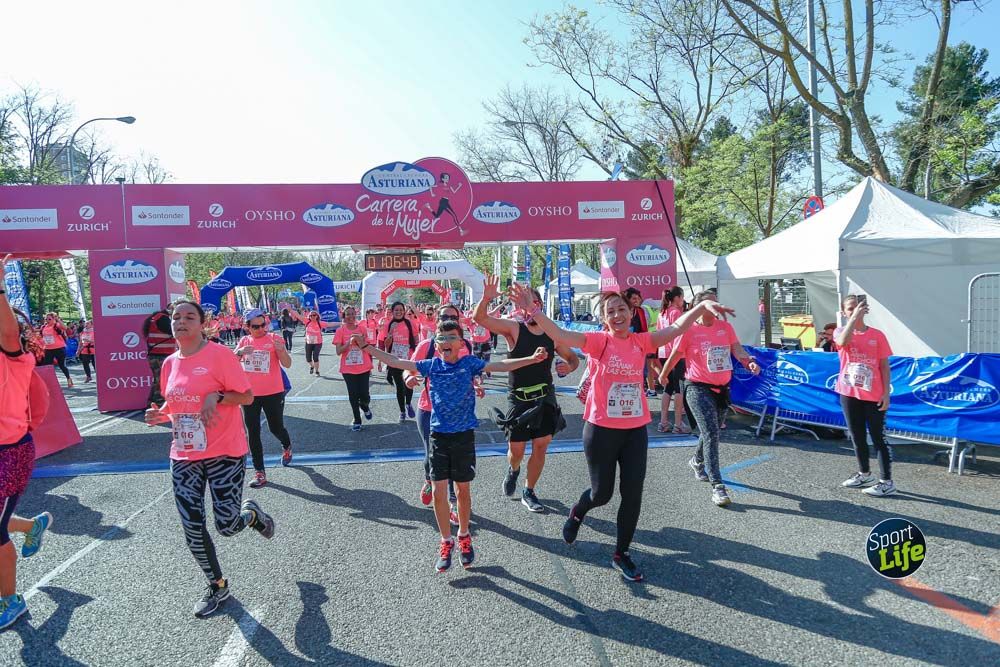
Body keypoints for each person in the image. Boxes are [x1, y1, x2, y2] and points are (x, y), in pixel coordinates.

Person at [510, 284, 734, 582]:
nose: (617, 315)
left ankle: (621, 553)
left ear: (631, 313)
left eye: (622, 309)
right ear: (604, 319)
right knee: (601, 494)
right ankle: (578, 511)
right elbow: (561, 335)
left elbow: (677, 328)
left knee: (632, 494)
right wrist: (533, 310)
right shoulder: (599, 341)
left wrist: (702, 307)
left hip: (635, 431)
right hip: (601, 430)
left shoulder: (642, 341)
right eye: (611, 311)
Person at [356, 321, 547, 572]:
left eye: (451, 337)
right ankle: (446, 541)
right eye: (441, 338)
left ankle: (464, 536)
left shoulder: (469, 364)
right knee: (439, 491)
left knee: (462, 490)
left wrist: (531, 359)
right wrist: (367, 347)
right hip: (438, 435)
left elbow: (501, 365)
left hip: (464, 436)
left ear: (460, 343)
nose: (446, 341)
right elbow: (396, 361)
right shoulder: (432, 365)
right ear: (436, 345)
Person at [144, 300, 275, 618]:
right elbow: (176, 404)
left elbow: (247, 396)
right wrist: (160, 415)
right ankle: (217, 586)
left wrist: (216, 396)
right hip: (184, 453)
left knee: (227, 526)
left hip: (224, 452)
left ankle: (251, 515)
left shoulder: (220, 355)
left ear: (202, 323)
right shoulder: (169, 363)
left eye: (189, 317)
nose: (181, 321)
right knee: (191, 526)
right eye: (176, 317)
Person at [474, 275, 579, 512]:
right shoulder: (514, 328)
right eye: (520, 303)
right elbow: (480, 319)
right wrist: (486, 298)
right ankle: (513, 469)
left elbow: (573, 359)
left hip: (544, 396)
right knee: (517, 451)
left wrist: (568, 367)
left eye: (528, 302)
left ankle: (529, 491)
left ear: (538, 305)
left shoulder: (552, 334)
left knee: (541, 444)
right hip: (519, 397)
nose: (523, 307)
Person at [659, 291, 760, 508]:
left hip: (722, 388)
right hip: (697, 387)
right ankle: (717, 486)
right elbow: (676, 354)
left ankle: (697, 461)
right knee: (712, 432)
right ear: (699, 308)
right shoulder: (689, 330)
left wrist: (748, 362)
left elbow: (737, 349)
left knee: (710, 432)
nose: (716, 307)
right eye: (710, 304)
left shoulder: (725, 327)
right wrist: (663, 374)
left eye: (717, 303)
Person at [0, 258, 53, 631]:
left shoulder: (14, 358)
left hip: (10, 453)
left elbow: (7, 333)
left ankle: (11, 599)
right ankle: (32, 525)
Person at [835, 295, 896, 497]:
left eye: (858, 307)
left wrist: (886, 393)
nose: (854, 310)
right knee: (857, 435)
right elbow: (842, 342)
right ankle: (864, 473)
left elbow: (884, 366)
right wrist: (853, 319)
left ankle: (886, 481)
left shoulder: (877, 335)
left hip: (873, 394)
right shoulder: (840, 331)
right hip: (849, 392)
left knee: (878, 438)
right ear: (844, 312)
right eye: (850, 308)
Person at [235, 309, 294, 488]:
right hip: (249, 395)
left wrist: (281, 351)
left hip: (273, 393)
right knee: (252, 432)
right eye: (256, 327)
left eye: (263, 325)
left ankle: (286, 445)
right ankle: (259, 471)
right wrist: (239, 352)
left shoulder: (274, 338)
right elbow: (230, 364)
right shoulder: (244, 341)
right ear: (247, 327)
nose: (261, 329)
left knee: (275, 427)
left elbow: (287, 364)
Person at [332, 306, 373, 432]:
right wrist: (349, 343)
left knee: (365, 395)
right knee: (353, 395)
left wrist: (360, 342)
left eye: (352, 314)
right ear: (344, 316)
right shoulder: (340, 331)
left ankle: (365, 407)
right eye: (348, 314)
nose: (350, 317)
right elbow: (338, 351)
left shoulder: (362, 329)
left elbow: (367, 346)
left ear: (356, 315)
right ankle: (357, 420)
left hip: (363, 367)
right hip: (348, 369)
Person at [656, 287, 689, 434]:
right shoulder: (676, 312)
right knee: (679, 387)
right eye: (682, 297)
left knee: (668, 387)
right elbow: (681, 334)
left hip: (663, 352)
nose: (683, 300)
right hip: (676, 353)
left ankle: (663, 422)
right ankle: (678, 423)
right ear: (677, 298)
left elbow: (659, 333)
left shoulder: (662, 313)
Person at [381, 302, 417, 422]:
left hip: (408, 358)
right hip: (395, 360)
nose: (399, 312)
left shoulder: (410, 323)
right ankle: (402, 411)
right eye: (396, 310)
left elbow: (416, 339)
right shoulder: (388, 325)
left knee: (409, 384)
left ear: (404, 311)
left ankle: (408, 404)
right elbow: (386, 345)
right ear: (392, 311)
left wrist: (416, 354)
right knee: (400, 387)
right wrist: (391, 331)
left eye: (401, 310)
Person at [624, 288, 658, 399]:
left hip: (638, 345)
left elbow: (644, 329)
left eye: (638, 298)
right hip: (624, 345)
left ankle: (639, 390)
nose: (637, 300)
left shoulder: (640, 311)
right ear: (627, 299)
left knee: (641, 369)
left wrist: (645, 345)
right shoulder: (623, 311)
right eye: (634, 298)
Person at [143, 303, 177, 404]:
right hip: (160, 355)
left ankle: (152, 402)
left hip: (158, 354)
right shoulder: (162, 318)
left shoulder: (158, 317)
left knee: (158, 380)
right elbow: (172, 331)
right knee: (160, 380)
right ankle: (158, 403)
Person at [294, 310, 336, 376]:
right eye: (311, 315)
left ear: (317, 316)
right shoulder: (307, 321)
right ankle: (312, 366)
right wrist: (290, 310)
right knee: (308, 359)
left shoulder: (320, 323)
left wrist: (341, 323)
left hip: (318, 343)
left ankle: (317, 371)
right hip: (309, 343)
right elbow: (298, 316)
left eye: (314, 315)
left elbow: (330, 324)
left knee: (315, 357)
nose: (312, 317)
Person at [40, 313, 72, 388]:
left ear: (54, 319)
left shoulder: (56, 325)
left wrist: (58, 320)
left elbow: (65, 328)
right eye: (46, 319)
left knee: (62, 365)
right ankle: (49, 382)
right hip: (48, 349)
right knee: (47, 366)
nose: (47, 320)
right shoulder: (44, 327)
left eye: (49, 319)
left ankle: (68, 378)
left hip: (59, 348)